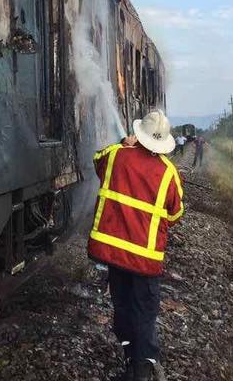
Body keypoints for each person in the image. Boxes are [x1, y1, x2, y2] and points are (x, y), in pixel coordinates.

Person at [89, 110, 184, 381]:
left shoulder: (117, 156)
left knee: (123, 307)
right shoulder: (168, 173)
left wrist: (123, 143)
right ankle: (141, 371)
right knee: (144, 312)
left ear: (138, 135)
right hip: (146, 261)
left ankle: (132, 361)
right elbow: (176, 214)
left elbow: (97, 160)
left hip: (116, 255)